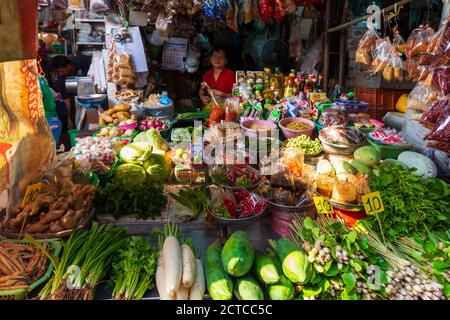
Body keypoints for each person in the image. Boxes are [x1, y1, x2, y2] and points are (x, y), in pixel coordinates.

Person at [51, 55, 92, 129]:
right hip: (77, 99)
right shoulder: (61, 80)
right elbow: (67, 100)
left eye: (62, 71)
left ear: (69, 66)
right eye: (58, 72)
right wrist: (69, 118)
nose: (60, 74)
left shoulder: (84, 61)